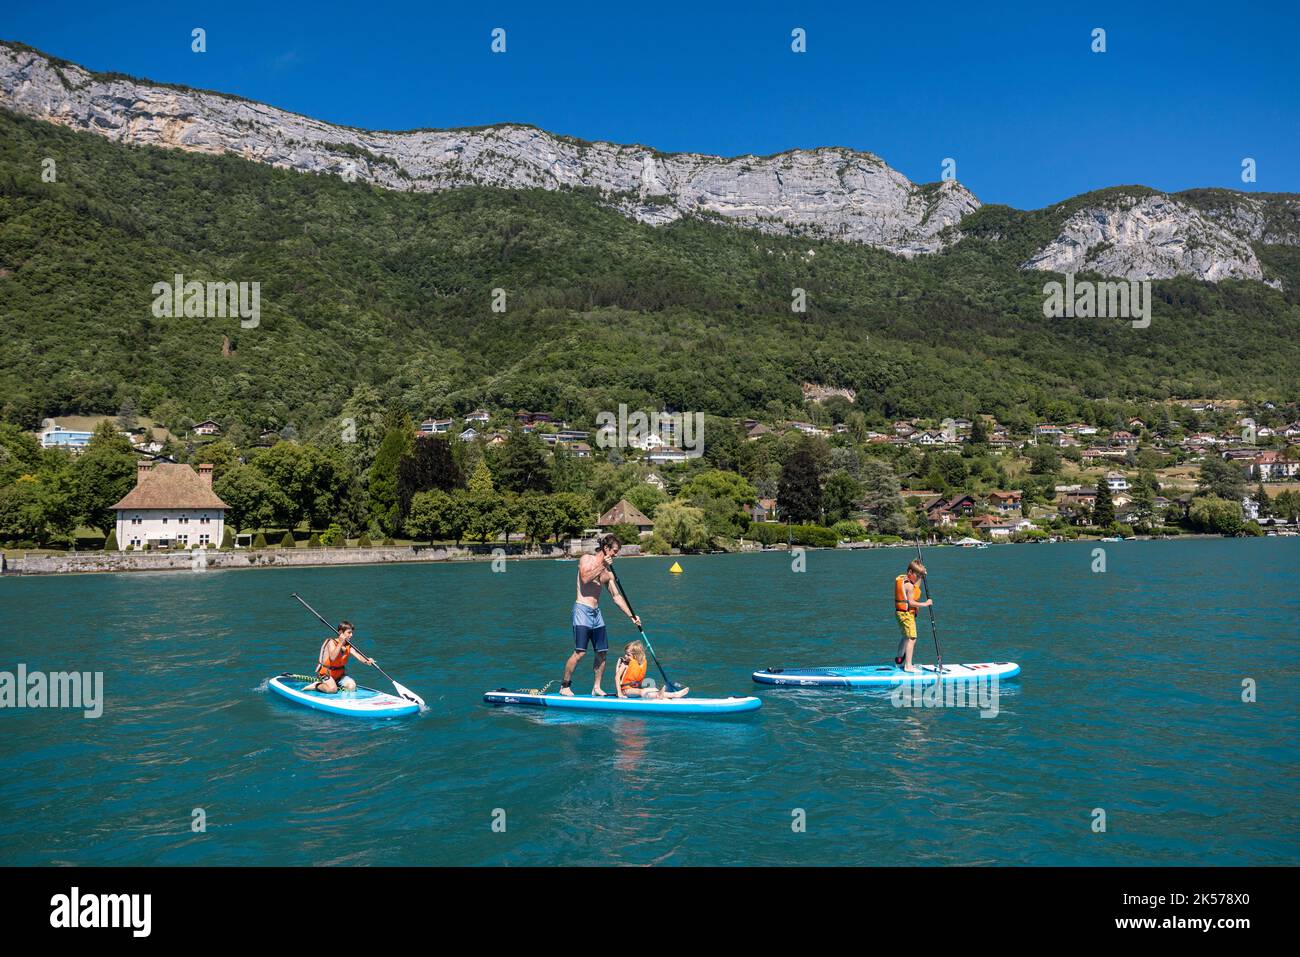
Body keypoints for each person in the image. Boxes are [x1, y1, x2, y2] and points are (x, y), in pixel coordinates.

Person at [560, 533, 640, 696]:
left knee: (602, 652)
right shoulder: (586, 559)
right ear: (606, 548)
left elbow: (616, 597)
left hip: (597, 614)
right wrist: (603, 563)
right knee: (580, 652)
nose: (616, 554)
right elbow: (585, 578)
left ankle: (596, 687)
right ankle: (565, 686)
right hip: (582, 610)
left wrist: (632, 615)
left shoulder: (608, 572)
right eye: (615, 551)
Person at [306, 620, 377, 693]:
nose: (351, 635)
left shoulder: (348, 645)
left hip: (339, 675)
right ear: (340, 633)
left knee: (352, 686)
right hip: (326, 673)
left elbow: (358, 656)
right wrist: (340, 643)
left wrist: (366, 660)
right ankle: (317, 685)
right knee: (332, 690)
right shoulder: (331, 642)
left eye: (352, 632)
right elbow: (332, 658)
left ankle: (338, 687)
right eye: (349, 633)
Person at [894, 560, 932, 673]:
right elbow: (911, 603)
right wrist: (925, 603)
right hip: (906, 614)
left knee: (906, 636)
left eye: (920, 576)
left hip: (901, 613)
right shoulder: (908, 586)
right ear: (910, 572)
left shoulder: (905, 580)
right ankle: (908, 666)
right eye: (917, 575)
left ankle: (899, 659)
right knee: (912, 638)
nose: (918, 578)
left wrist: (922, 575)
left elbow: (916, 586)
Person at [615, 640, 689, 699]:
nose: (625, 656)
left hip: (636, 690)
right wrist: (619, 693)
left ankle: (674, 694)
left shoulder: (639, 663)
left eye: (628, 655)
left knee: (652, 690)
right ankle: (662, 695)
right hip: (626, 690)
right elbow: (617, 677)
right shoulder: (624, 664)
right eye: (625, 654)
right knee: (642, 692)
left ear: (636, 655)